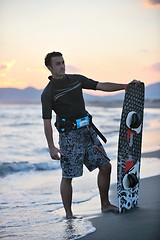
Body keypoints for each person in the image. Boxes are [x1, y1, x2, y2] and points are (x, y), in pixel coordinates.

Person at [41, 51, 139, 219]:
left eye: (63, 62)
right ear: (49, 68)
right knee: (68, 176)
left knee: (105, 166)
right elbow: (47, 122)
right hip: (69, 137)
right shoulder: (48, 93)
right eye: (57, 63)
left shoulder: (76, 79)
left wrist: (125, 86)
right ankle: (69, 215)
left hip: (88, 132)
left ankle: (105, 204)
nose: (62, 65)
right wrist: (51, 147)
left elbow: (100, 85)